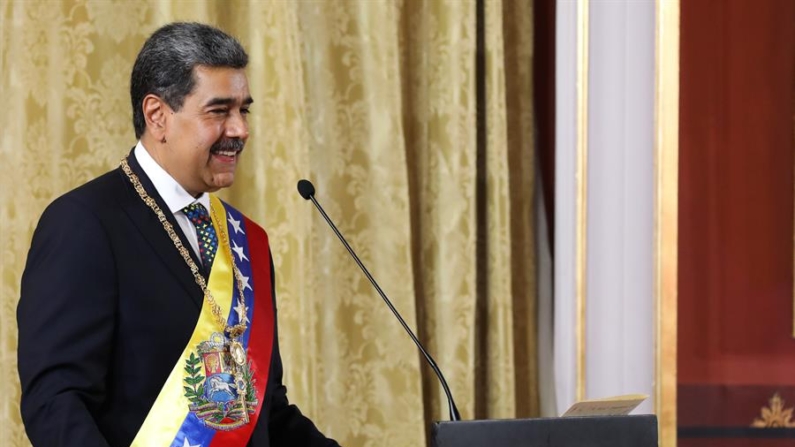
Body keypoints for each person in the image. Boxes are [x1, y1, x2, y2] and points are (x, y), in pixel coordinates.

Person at [17, 22, 340, 447]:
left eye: (244, 109)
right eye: (219, 111)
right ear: (158, 116)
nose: (240, 129)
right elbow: (56, 402)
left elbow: (265, 411)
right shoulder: (84, 223)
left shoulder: (249, 241)